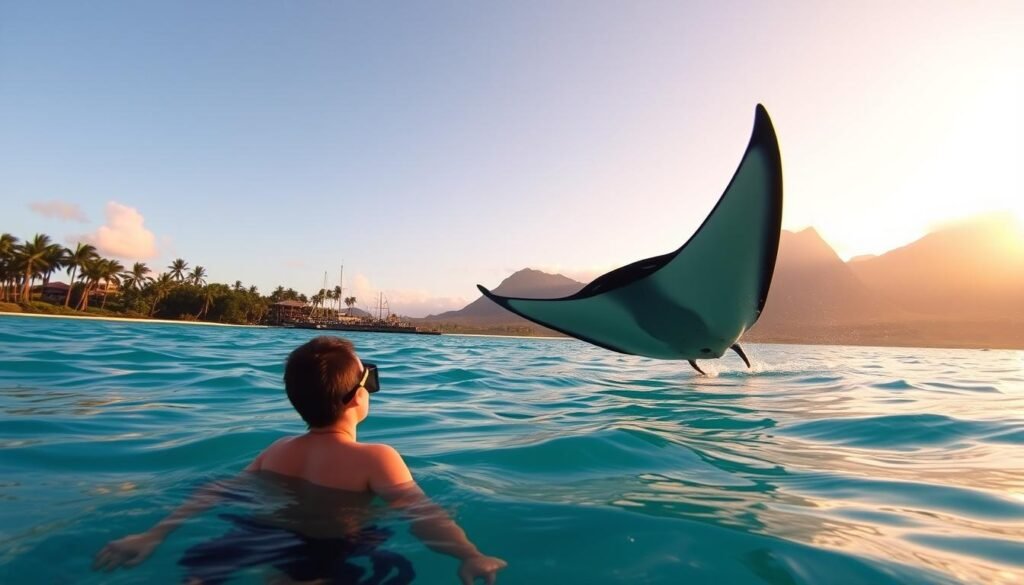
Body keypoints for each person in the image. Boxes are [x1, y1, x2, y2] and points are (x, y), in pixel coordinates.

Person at [93, 336, 507, 584]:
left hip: (255, 534)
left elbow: (215, 492)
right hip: (333, 546)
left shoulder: (276, 450)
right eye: (370, 380)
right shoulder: (378, 459)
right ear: (357, 396)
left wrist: (153, 535)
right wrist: (469, 553)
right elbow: (424, 515)